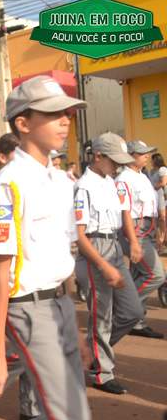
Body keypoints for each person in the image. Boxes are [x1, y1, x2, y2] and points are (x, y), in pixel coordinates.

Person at [0, 75, 91, 420]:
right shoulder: (9, 185)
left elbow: (59, 258)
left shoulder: (60, 180)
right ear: (23, 123)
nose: (65, 120)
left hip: (59, 304)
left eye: (67, 113)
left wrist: (75, 325)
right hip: (28, 308)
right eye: (53, 114)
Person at [74, 132, 144, 396]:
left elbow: (123, 215)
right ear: (98, 156)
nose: (117, 166)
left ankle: (91, 352)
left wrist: (132, 242)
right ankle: (102, 373)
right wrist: (103, 265)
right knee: (101, 317)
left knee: (133, 311)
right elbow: (79, 235)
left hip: (113, 245)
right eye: (114, 160)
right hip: (94, 250)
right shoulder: (83, 187)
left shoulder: (112, 182)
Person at [116, 140, 164, 338]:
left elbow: (152, 207)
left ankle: (136, 323)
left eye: (147, 152)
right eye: (142, 153)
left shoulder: (142, 176)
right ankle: (125, 305)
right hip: (135, 230)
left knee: (139, 275)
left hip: (147, 228)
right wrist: (133, 240)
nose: (147, 156)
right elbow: (125, 212)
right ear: (131, 155)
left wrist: (158, 231)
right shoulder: (124, 179)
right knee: (155, 275)